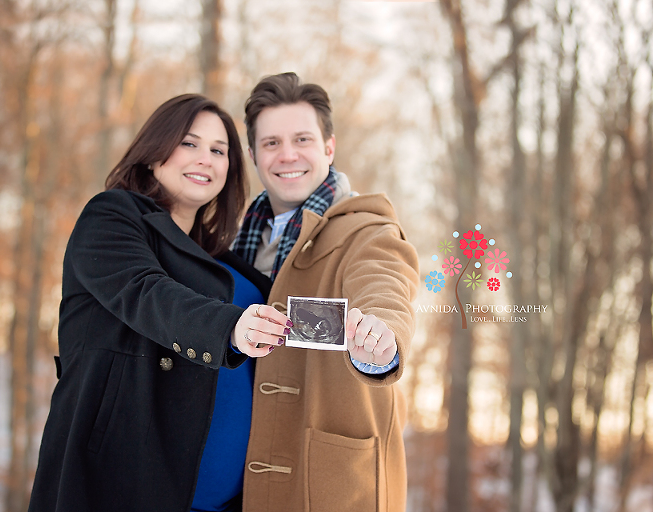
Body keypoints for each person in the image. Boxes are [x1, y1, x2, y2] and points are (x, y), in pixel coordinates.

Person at [27, 94, 290, 512]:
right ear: (154, 153)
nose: (205, 158)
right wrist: (231, 329)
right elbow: (146, 292)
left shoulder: (224, 260)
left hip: (228, 502)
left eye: (219, 150)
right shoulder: (112, 216)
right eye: (189, 143)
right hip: (124, 487)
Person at [233, 72, 420, 512]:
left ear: (329, 148)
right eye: (271, 143)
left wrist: (382, 334)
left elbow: (385, 281)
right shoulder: (237, 239)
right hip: (241, 483)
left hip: (329, 483)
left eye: (302, 139)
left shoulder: (366, 230)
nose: (288, 155)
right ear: (253, 155)